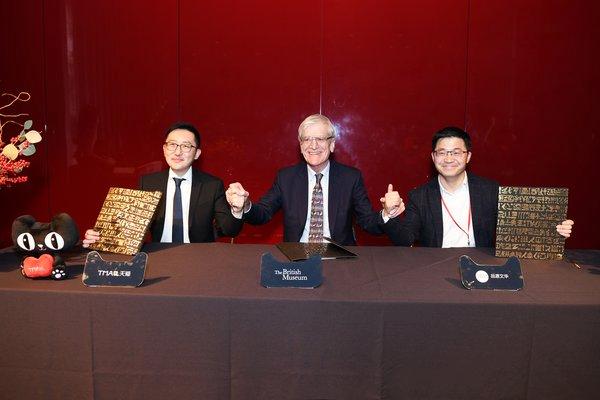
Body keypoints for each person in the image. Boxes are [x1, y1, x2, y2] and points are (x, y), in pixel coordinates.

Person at [225, 114, 404, 245]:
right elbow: (263, 214)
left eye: (320, 139)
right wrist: (246, 205)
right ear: (300, 145)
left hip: (339, 259)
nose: (313, 145)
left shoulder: (350, 178)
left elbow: (368, 223)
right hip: (296, 259)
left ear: (332, 144)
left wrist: (386, 213)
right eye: (307, 139)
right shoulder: (286, 178)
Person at [385, 126, 574, 247]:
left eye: (456, 152)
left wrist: (552, 231)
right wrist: (389, 215)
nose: (448, 159)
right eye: (442, 153)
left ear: (468, 156)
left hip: (483, 267)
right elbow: (405, 240)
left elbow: (518, 230)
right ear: (433, 157)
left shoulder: (490, 191)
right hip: (435, 270)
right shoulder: (419, 196)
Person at [83, 122, 242, 246]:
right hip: (159, 255)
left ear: (197, 154)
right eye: (172, 145)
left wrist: (237, 210)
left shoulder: (212, 185)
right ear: (164, 149)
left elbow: (230, 230)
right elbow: (130, 226)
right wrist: (103, 236)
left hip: (199, 256)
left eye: (186, 146)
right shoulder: (148, 182)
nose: (178, 152)